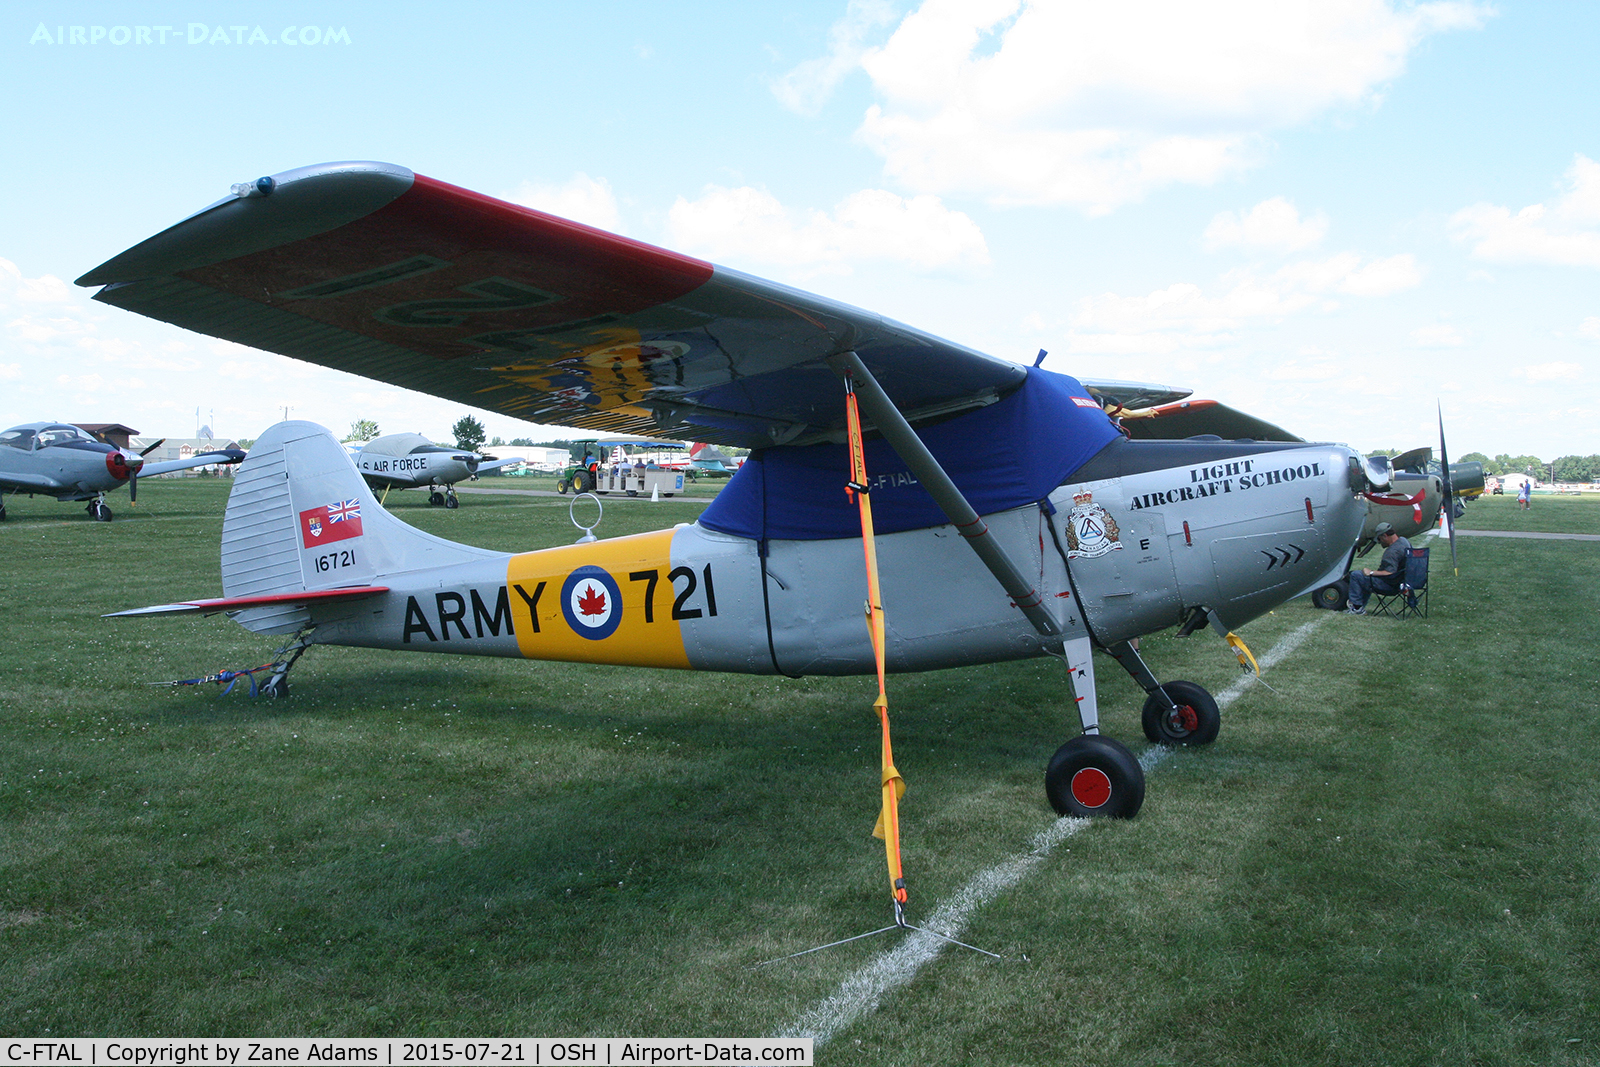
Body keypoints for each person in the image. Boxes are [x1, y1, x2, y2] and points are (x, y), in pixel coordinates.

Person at [1346, 521, 1411, 615]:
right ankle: (1359, 606)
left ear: (1385, 535)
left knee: (1356, 575)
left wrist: (1371, 572)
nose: (1380, 543)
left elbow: (1390, 573)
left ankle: (1357, 608)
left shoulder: (1392, 552)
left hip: (1391, 586)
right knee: (1364, 578)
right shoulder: (1404, 541)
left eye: (1380, 539)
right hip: (1403, 582)